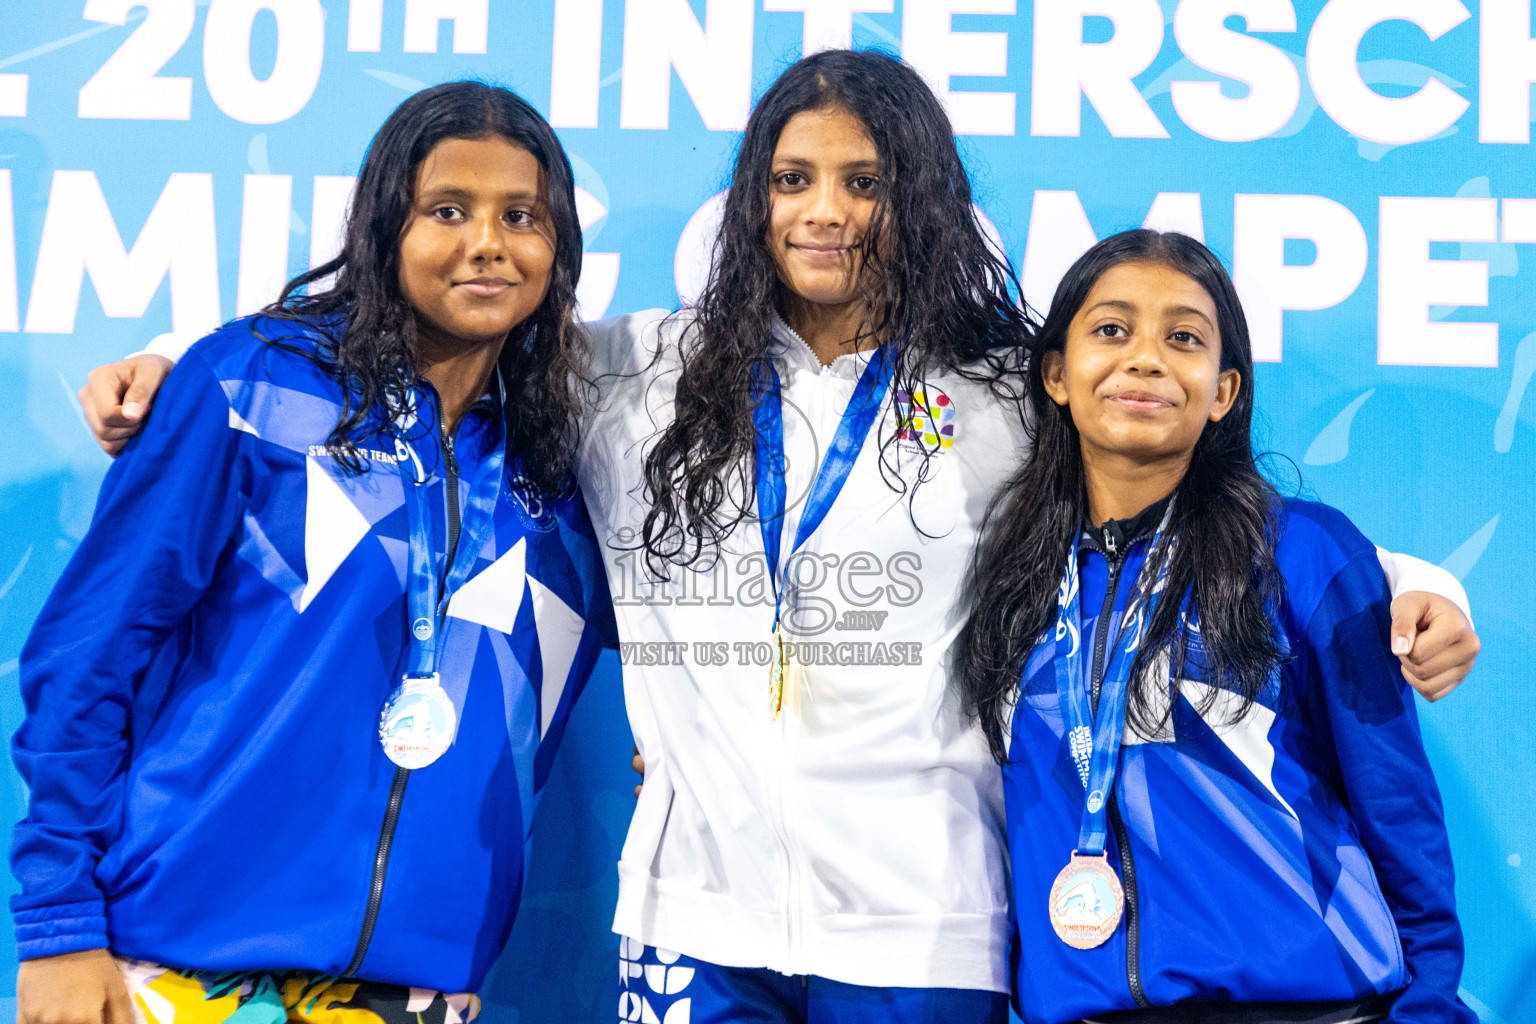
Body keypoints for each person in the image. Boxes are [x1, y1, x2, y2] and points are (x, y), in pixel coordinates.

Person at [75, 52, 1479, 1024]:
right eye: (794, 177)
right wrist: (173, 369)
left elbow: (1165, 477)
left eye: (864, 182)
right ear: (753, 197)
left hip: (932, 916)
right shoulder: (637, 373)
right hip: (694, 921)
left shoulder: (998, 391)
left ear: (916, 201)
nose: (825, 210)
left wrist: (1406, 584)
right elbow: (445, 336)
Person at [12, 82, 612, 1024]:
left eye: (521, 216)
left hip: (413, 986)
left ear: (559, 247)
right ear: (384, 228)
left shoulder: (571, 466)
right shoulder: (252, 388)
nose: (487, 242)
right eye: (447, 210)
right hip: (172, 962)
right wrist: (57, 924)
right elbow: (85, 659)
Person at [955, 230, 1474, 1024]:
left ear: (1224, 390)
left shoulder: (1302, 551)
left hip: (1309, 1010)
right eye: (1111, 330)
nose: (1146, 359)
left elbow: (1396, 805)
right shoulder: (1010, 576)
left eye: (1185, 339)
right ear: (1056, 373)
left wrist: (1433, 1008)